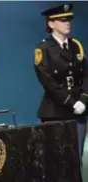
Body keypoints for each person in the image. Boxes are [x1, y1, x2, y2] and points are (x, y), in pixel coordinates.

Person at [34, 3, 87, 162]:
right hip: (55, 112)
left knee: (75, 159)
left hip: (79, 111)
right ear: (51, 24)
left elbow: (86, 75)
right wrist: (71, 103)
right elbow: (48, 82)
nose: (67, 22)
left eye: (68, 19)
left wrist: (84, 100)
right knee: (56, 160)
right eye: (62, 20)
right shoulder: (43, 49)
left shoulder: (76, 46)